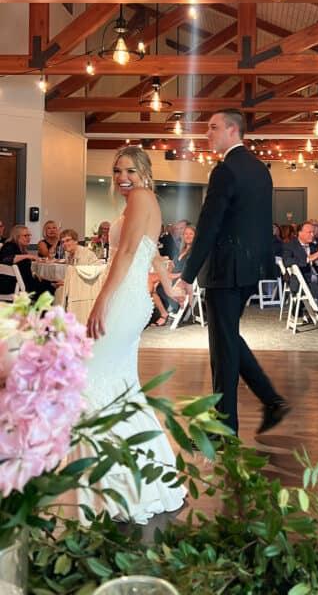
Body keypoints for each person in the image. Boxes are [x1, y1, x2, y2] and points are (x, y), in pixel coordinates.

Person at [84, 145, 186, 522]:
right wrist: (169, 286)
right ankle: (135, 475)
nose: (122, 178)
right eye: (116, 172)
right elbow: (153, 253)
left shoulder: (141, 197)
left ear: (143, 171)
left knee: (93, 378)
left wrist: (101, 302)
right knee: (120, 384)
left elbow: (127, 254)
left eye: (129, 170)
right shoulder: (145, 201)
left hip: (122, 299)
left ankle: (112, 482)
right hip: (127, 296)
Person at [177, 109, 290, 437]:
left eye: (213, 128)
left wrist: (186, 275)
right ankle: (270, 400)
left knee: (222, 347)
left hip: (225, 270)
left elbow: (209, 227)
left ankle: (223, 430)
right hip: (250, 270)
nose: (207, 134)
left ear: (232, 130)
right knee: (227, 339)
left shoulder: (225, 171)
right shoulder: (260, 170)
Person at [0, 225, 55, 299]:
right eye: (25, 235)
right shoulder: (9, 246)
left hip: (20, 283)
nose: (28, 238)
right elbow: (7, 259)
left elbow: (22, 269)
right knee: (50, 288)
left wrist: (33, 274)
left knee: (51, 283)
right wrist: (28, 256)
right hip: (11, 285)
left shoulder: (20, 248)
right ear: (17, 237)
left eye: (29, 235)